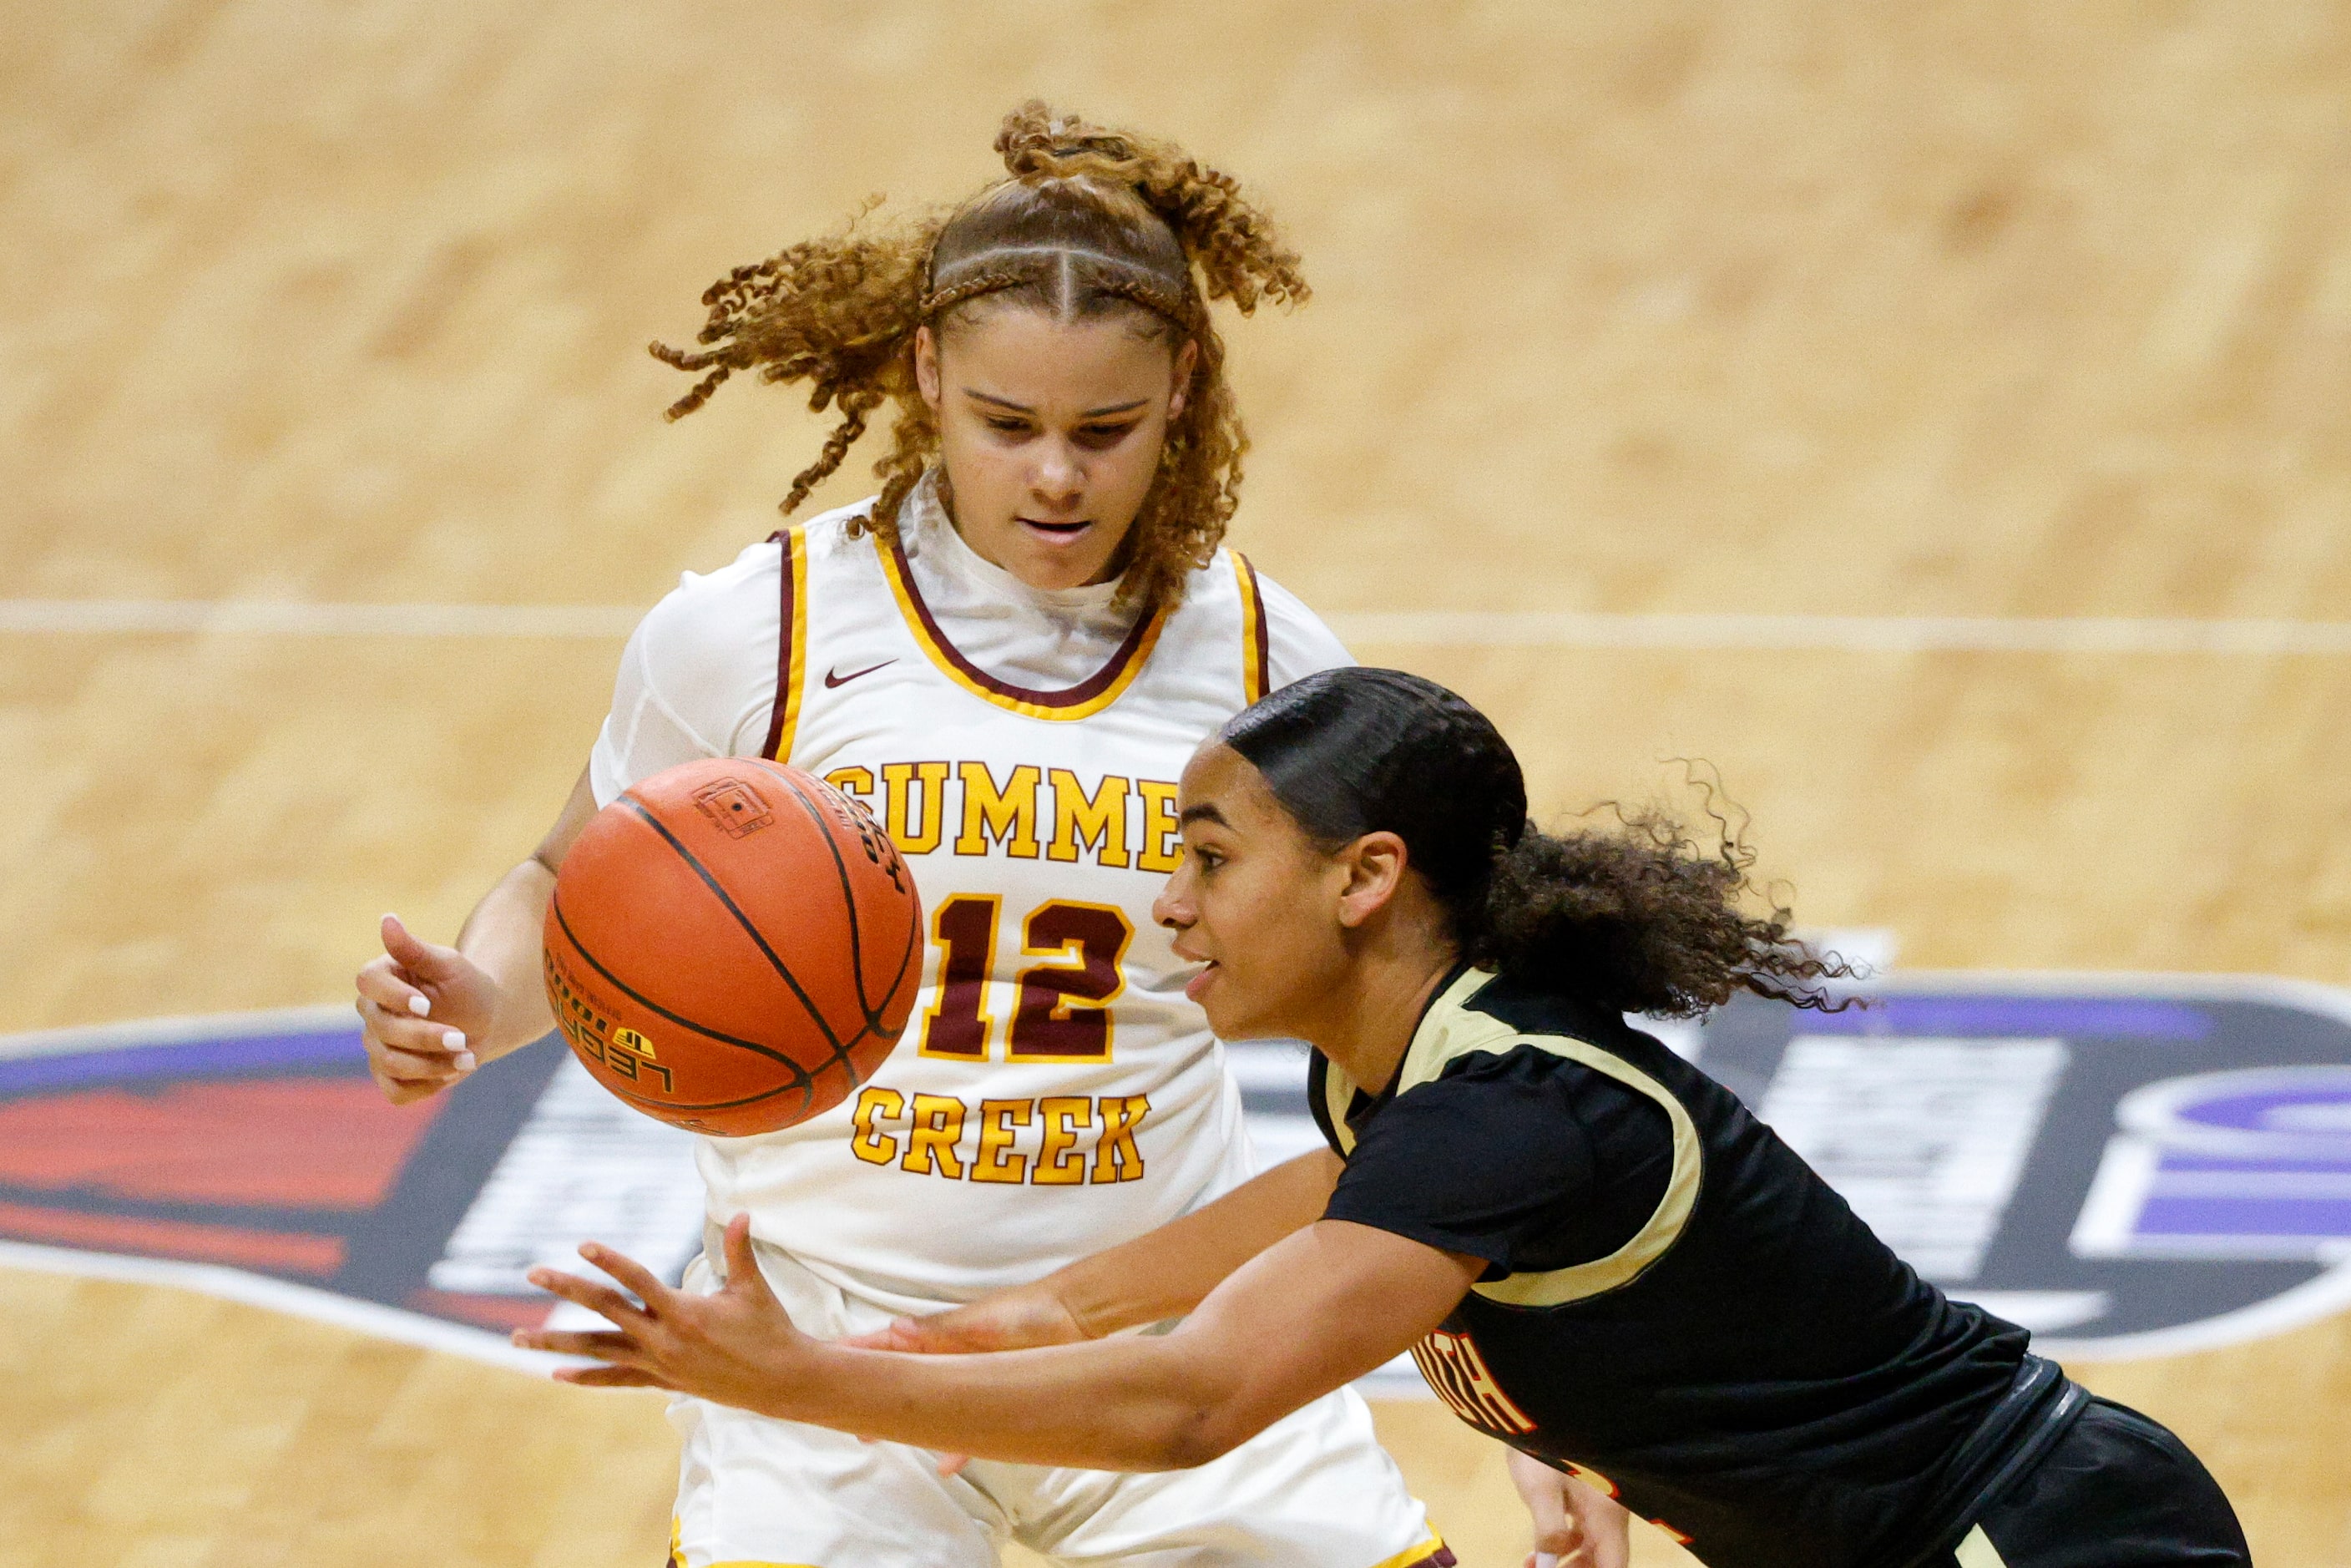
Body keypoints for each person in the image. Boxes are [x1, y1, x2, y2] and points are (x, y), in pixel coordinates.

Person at [354, 109, 1454, 1568]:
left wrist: (1530, 1399)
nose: (1055, 475)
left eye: (1102, 430)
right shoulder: (762, 629)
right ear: (927, 378)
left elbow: (1416, 1059)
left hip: (1153, 1320)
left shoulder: (1265, 658)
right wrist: (477, 1000)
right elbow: (578, 880)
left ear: (1183, 387)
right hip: (819, 1335)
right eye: (1008, 424)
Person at [518, 667, 2255, 1568]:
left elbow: (1197, 1405)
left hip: (2029, 1537)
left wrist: (790, 1377)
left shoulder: (1506, 1112)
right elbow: (1168, 1274)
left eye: (1206, 856)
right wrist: (994, 1327)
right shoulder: (1393, 1081)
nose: (1170, 907)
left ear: (1364, 881)